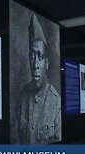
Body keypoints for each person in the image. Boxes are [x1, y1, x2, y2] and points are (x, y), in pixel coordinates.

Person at [16, 14, 61, 144]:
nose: (35, 64)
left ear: (46, 63)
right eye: (32, 56)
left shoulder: (55, 102)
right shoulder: (23, 96)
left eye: (40, 57)